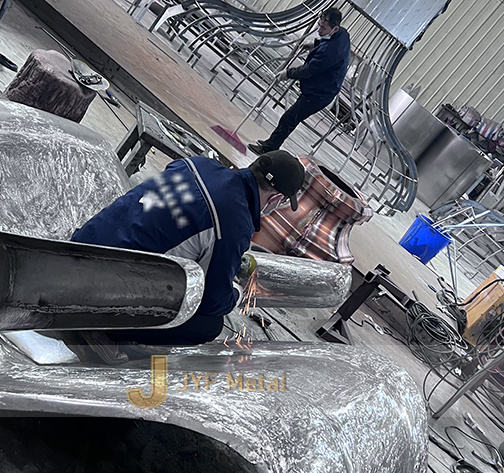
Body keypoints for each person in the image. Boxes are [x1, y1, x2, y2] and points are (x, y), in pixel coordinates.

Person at [70, 150, 305, 359]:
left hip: (78, 248)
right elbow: (212, 301)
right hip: (101, 290)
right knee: (207, 325)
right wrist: (236, 292)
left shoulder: (198, 163)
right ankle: (108, 329)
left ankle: (101, 315)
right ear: (275, 199)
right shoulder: (235, 223)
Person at [248, 7, 350, 155]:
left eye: (323, 28)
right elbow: (327, 43)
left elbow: (308, 70)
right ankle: (269, 146)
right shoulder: (342, 34)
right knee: (291, 117)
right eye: (319, 25)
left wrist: (288, 73)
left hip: (320, 94)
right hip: (321, 85)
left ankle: (268, 148)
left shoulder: (330, 52)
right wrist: (316, 43)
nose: (319, 29)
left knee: (290, 118)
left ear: (335, 28)